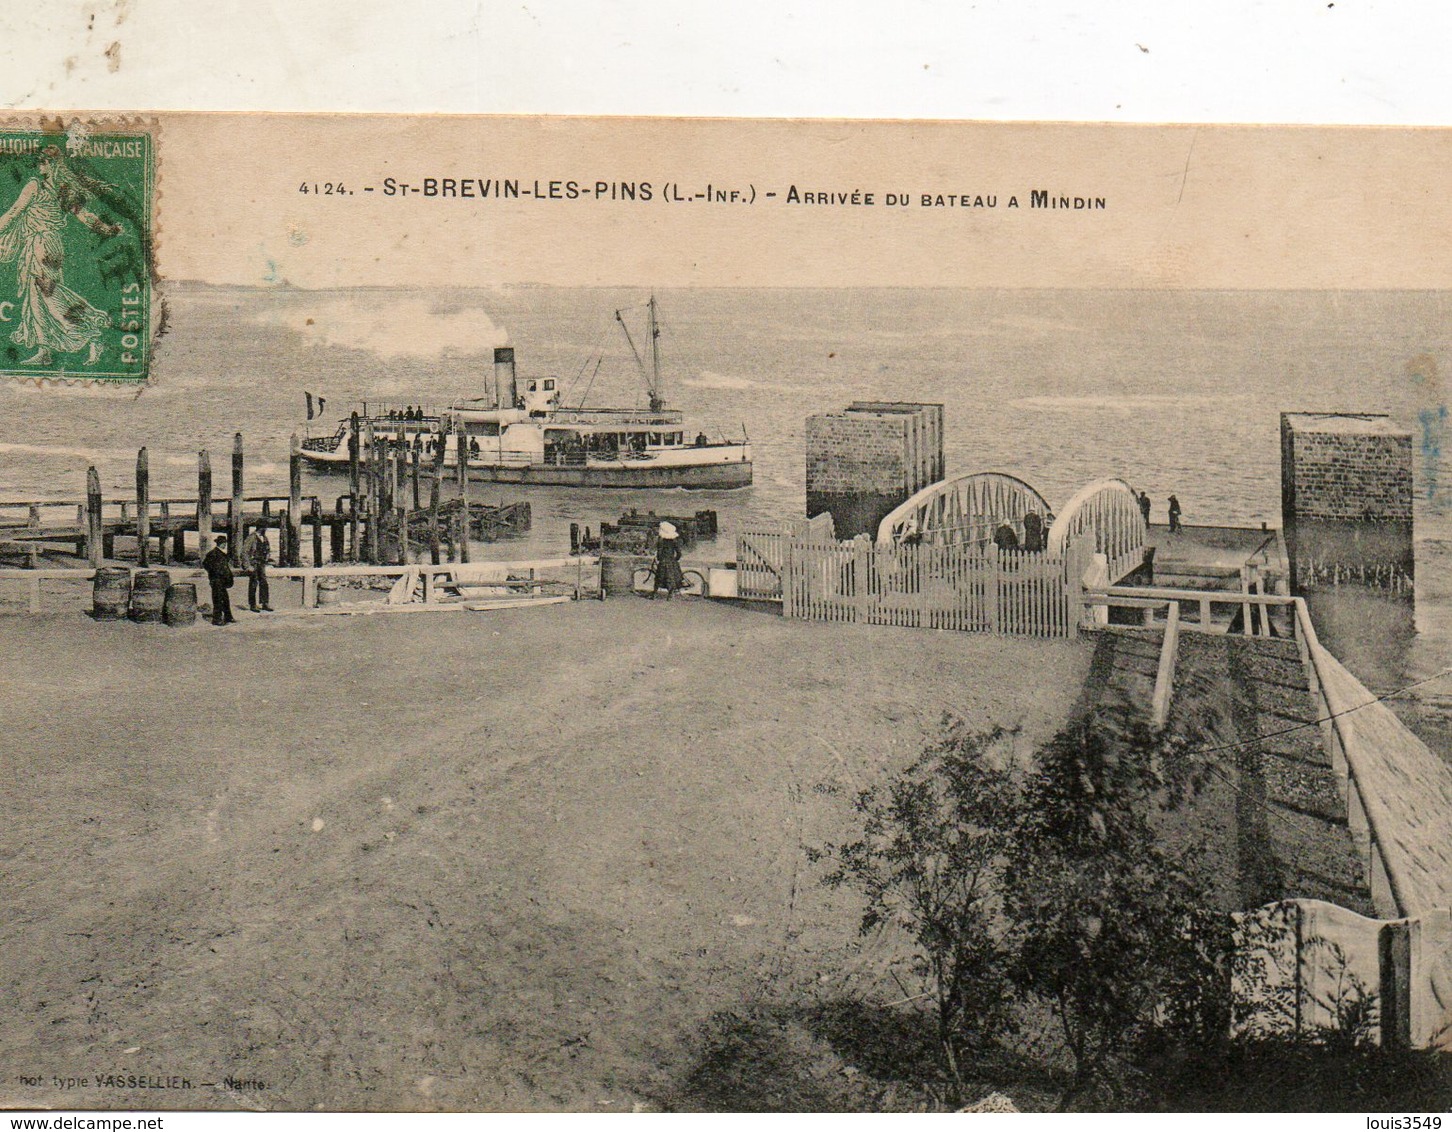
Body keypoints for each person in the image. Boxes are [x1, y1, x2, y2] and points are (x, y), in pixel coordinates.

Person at [0, 146, 121, 367]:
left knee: (48, 295)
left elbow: (14, 211)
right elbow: (85, 216)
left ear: (51, 164)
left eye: (43, 162)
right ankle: (45, 350)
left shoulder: (34, 186)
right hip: (52, 245)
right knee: (38, 298)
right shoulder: (63, 190)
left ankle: (92, 331)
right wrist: (106, 229)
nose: (39, 166)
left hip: (40, 244)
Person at [202, 536, 236, 626]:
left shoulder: (221, 553)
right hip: (216, 580)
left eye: (225, 543)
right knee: (217, 600)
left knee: (225, 599)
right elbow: (206, 564)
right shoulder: (213, 553)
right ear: (220, 543)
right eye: (223, 543)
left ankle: (228, 617)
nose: (225, 544)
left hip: (222, 580)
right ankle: (217, 619)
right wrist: (214, 573)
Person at [242, 525, 274, 611]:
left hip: (262, 563)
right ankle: (252, 604)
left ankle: (265, 603)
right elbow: (245, 551)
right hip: (254, 563)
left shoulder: (264, 537)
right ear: (260, 528)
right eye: (265, 528)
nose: (266, 529)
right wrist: (247, 565)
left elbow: (267, 549)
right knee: (253, 583)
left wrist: (267, 555)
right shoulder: (251, 537)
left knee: (264, 583)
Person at [651, 521, 685, 600]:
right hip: (671, 561)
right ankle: (670, 595)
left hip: (663, 561)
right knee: (671, 578)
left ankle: (654, 594)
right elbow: (679, 553)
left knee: (659, 578)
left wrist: (659, 559)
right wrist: (675, 560)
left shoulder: (661, 541)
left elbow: (659, 552)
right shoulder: (674, 541)